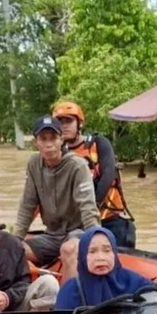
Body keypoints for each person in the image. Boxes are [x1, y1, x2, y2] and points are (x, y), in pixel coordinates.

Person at [12, 115, 101, 280]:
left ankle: (68, 302)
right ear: (36, 142)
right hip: (52, 234)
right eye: (43, 139)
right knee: (14, 250)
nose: (48, 144)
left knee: (69, 249)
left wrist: (95, 238)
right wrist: (14, 239)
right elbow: (27, 205)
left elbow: (88, 206)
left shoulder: (77, 165)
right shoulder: (33, 163)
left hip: (77, 231)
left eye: (53, 138)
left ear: (61, 140)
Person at [52, 101, 137, 248]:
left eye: (69, 121)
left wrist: (92, 208)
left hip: (109, 219)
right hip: (78, 223)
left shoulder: (99, 144)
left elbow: (108, 175)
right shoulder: (56, 155)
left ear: (80, 124)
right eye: (60, 122)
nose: (64, 125)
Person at [55, 227, 154, 311]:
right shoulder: (70, 290)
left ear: (114, 254)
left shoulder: (133, 281)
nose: (100, 257)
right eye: (92, 251)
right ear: (82, 256)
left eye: (107, 250)